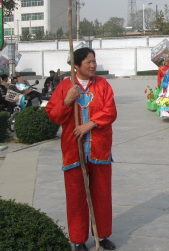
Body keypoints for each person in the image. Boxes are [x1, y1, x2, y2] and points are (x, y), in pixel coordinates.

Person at [46, 47, 117, 251]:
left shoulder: (103, 85)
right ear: (76, 66)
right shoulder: (65, 86)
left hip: (99, 150)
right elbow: (53, 115)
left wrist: (91, 123)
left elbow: (110, 111)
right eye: (88, 62)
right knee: (76, 196)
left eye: (94, 61)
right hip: (73, 150)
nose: (93, 65)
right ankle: (78, 239)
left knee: (102, 194)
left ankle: (102, 235)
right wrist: (67, 101)